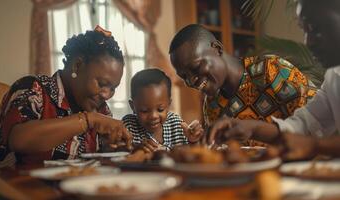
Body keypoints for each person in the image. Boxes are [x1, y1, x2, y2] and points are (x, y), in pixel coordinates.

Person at [207, 0, 340, 159]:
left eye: (314, 28)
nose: (307, 41)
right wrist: (251, 128)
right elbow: (304, 124)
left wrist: (315, 145)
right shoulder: (334, 77)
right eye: (304, 30)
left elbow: (308, 139)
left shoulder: (270, 68)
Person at [0, 26, 133, 167]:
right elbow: (18, 140)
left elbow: (93, 163)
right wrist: (88, 119)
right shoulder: (34, 89)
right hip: (11, 186)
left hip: (67, 189)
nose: (107, 95)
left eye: (113, 88)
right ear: (77, 65)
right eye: (101, 84)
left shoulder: (101, 110)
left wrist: (112, 149)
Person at [169, 24, 316, 145]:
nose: (190, 81)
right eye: (184, 77)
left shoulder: (270, 70)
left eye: (195, 68)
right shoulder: (212, 106)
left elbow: (317, 123)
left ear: (217, 49)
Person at [122, 68, 204, 153]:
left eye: (160, 109)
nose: (153, 116)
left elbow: (192, 156)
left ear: (169, 104)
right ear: (133, 106)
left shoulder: (176, 124)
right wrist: (134, 149)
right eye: (144, 110)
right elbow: (118, 154)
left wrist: (193, 141)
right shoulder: (128, 126)